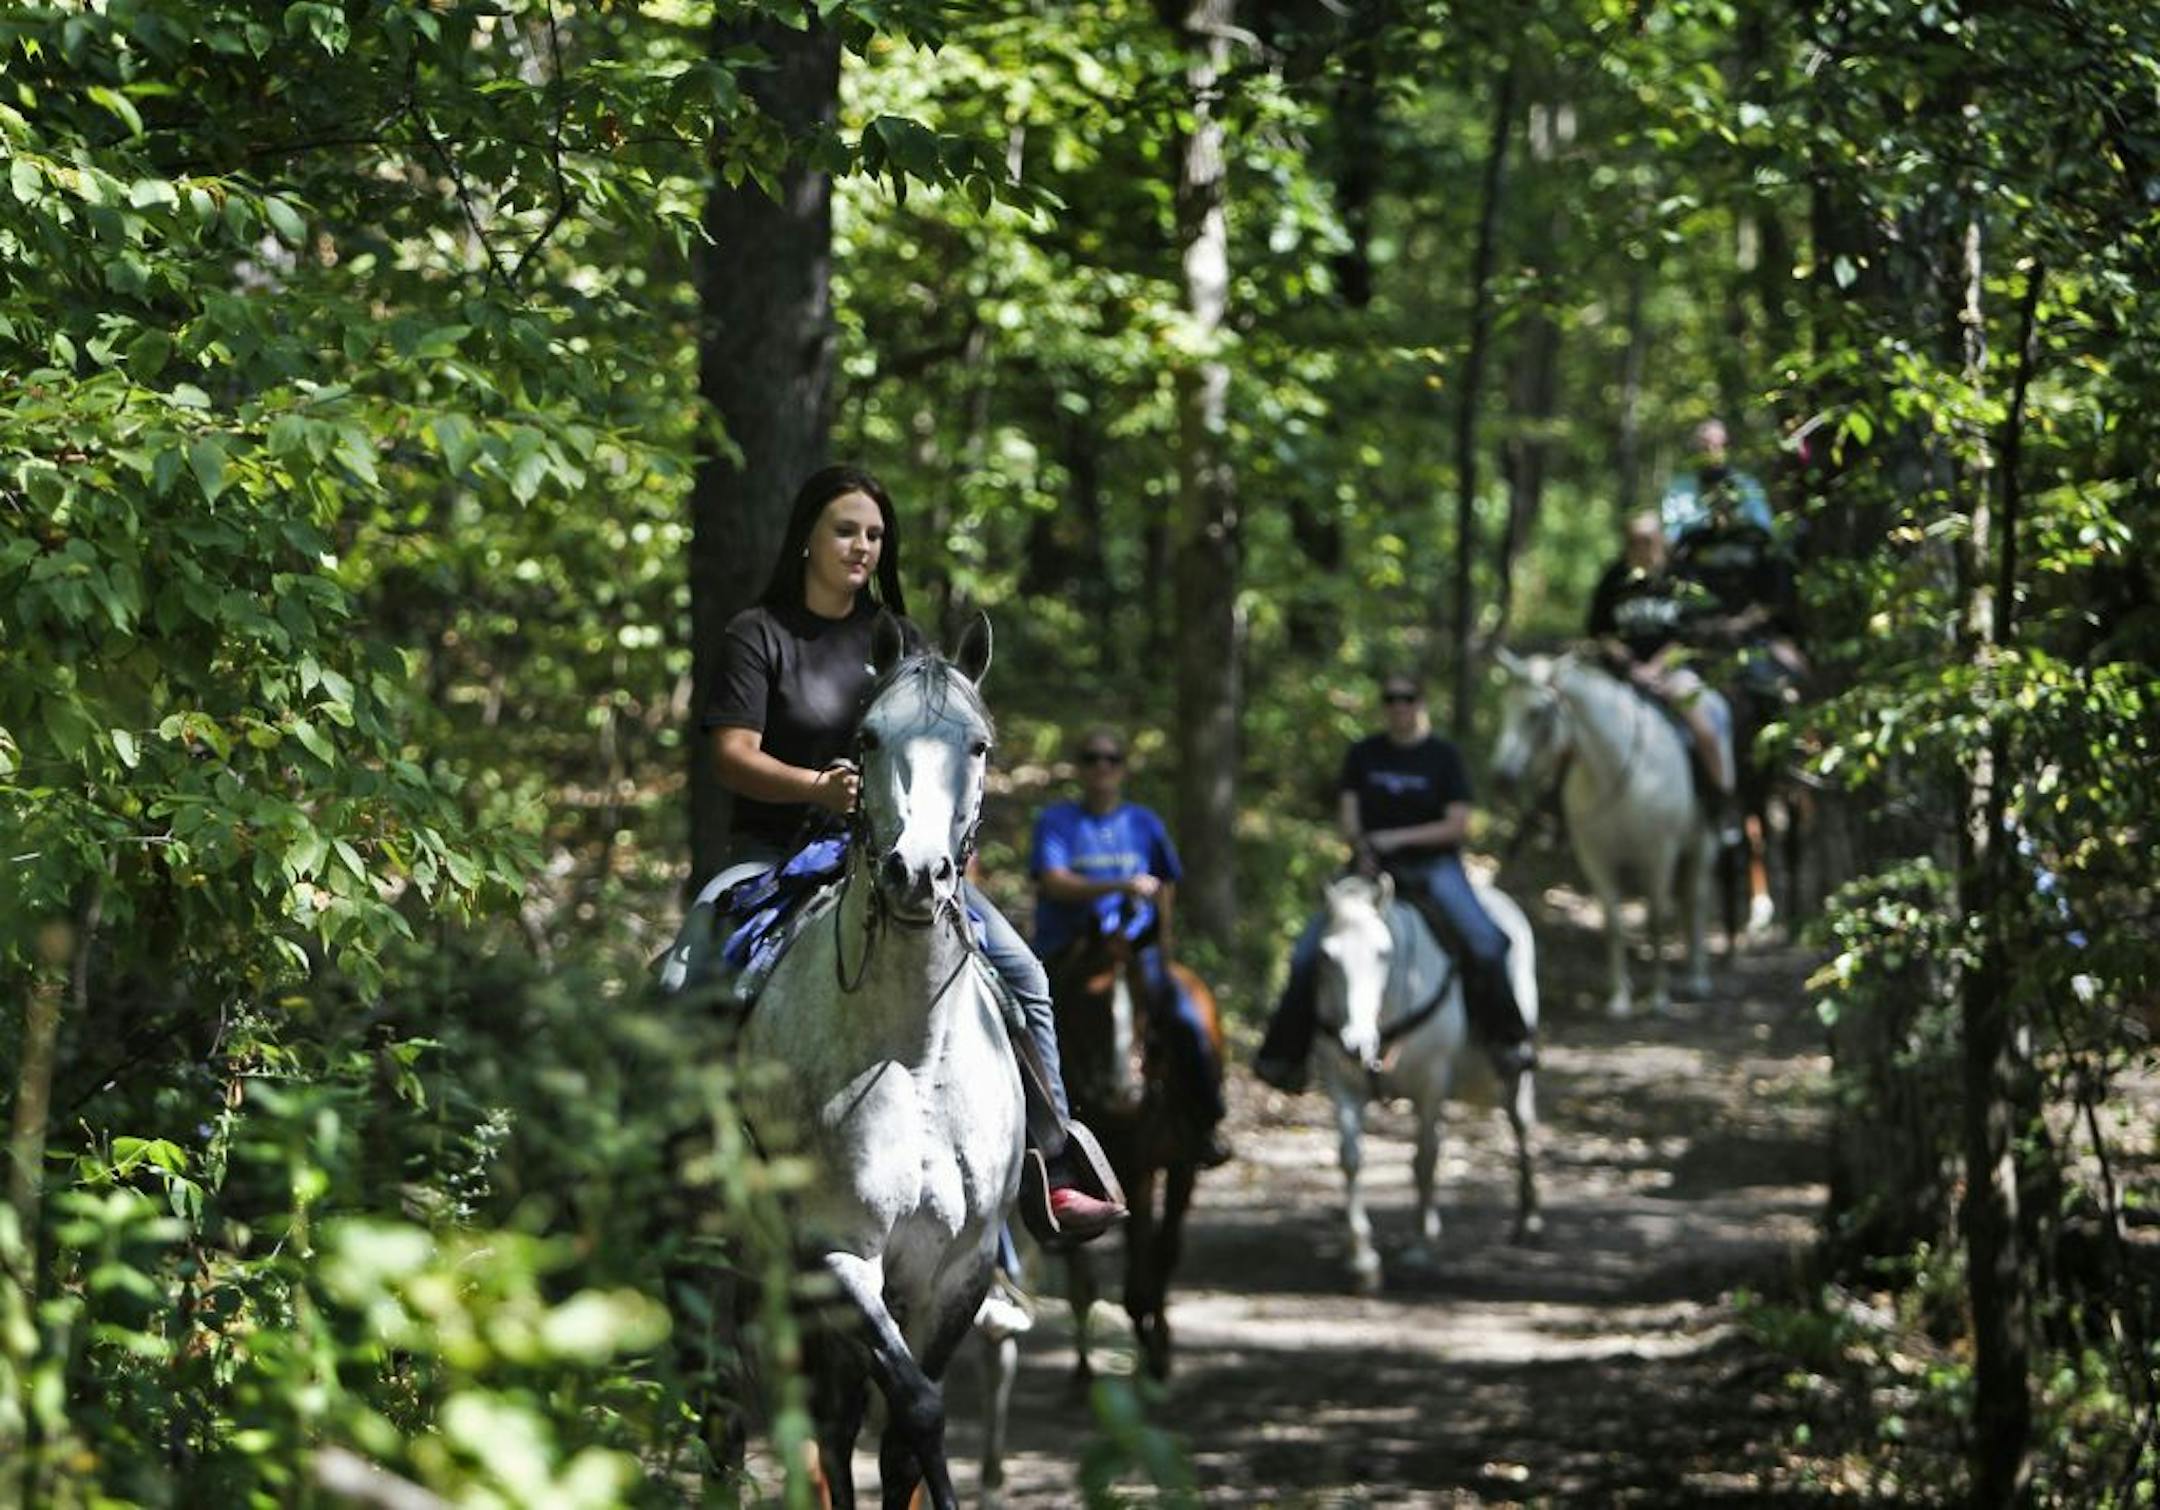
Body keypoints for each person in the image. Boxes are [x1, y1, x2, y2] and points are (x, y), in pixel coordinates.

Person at [703, 464, 1124, 1243]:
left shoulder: (901, 641)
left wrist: (955, 858)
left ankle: (1052, 1164)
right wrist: (814, 788)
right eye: (844, 529)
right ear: (806, 536)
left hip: (898, 856)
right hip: (770, 855)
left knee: (1025, 974)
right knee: (694, 971)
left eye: (873, 534)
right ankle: (686, 1170)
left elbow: (947, 764)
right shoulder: (757, 635)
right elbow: (731, 755)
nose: (860, 546)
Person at [1253, 673, 1535, 1093]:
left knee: (1487, 942)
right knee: (1309, 951)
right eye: (1390, 698)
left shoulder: (1444, 757)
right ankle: (1285, 1056)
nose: (1398, 706)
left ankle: (1506, 1041)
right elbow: (1348, 812)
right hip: (1368, 869)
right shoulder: (1364, 754)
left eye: (1407, 697)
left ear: (1422, 702)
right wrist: (1362, 843)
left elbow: (1457, 824)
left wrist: (1398, 838)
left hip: (1433, 867)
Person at [1030, 728, 1233, 1168]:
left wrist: (1161, 939)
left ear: (1122, 769)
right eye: (1091, 758)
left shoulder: (1143, 824)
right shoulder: (1058, 822)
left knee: (1187, 1017)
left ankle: (1205, 1118)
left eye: (1111, 759)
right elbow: (1053, 882)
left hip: (1135, 949)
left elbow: (1167, 883)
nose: (1101, 767)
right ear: (1079, 768)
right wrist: (1119, 884)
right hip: (1072, 949)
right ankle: (1039, 1138)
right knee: (1031, 1027)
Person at [1586, 510, 1736, 825]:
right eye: (1633, 541)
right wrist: (1623, 657)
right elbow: (1598, 632)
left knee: (1703, 727)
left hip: (1674, 674)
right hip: (1621, 676)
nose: (1640, 547)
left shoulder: (1680, 577)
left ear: (1660, 540)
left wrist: (1655, 668)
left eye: (1647, 540)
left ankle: (1720, 803)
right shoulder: (1614, 579)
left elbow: (1692, 634)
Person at [1660, 418, 1773, 543]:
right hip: (1695, 553)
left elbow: (1763, 526)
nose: (1712, 453)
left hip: (1743, 551)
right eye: (1705, 447)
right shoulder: (1679, 488)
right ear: (1696, 450)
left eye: (1718, 446)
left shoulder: (1746, 484)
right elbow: (1671, 535)